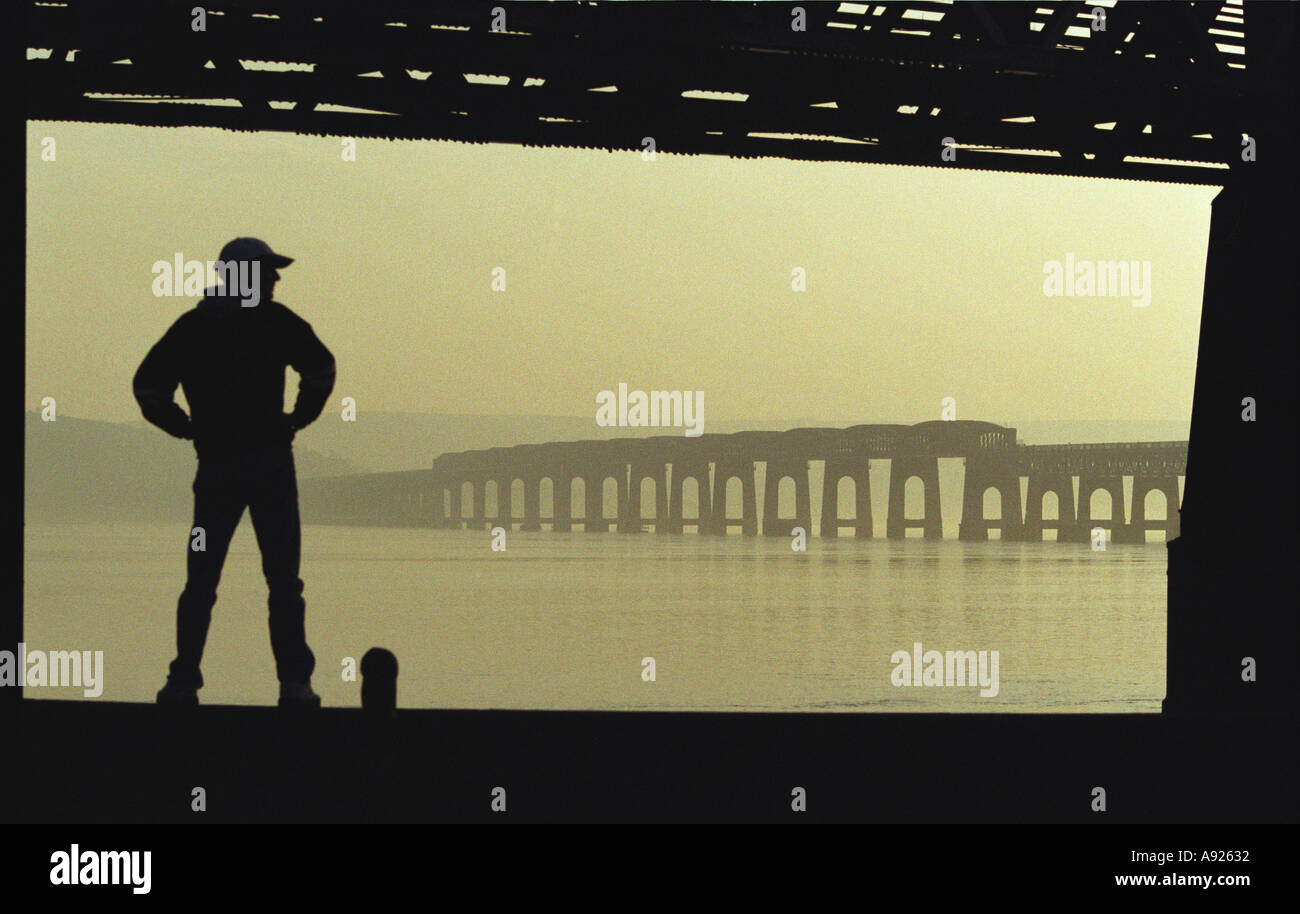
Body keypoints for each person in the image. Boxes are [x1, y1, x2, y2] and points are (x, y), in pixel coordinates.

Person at [133, 237, 335, 708]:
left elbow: (148, 387)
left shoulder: (193, 327)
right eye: (268, 271)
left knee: (200, 581)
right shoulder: (277, 323)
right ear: (243, 274)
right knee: (284, 581)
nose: (276, 279)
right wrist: (299, 418)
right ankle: (294, 685)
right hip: (270, 468)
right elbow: (322, 370)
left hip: (217, 469)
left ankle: (183, 682)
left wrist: (182, 426)